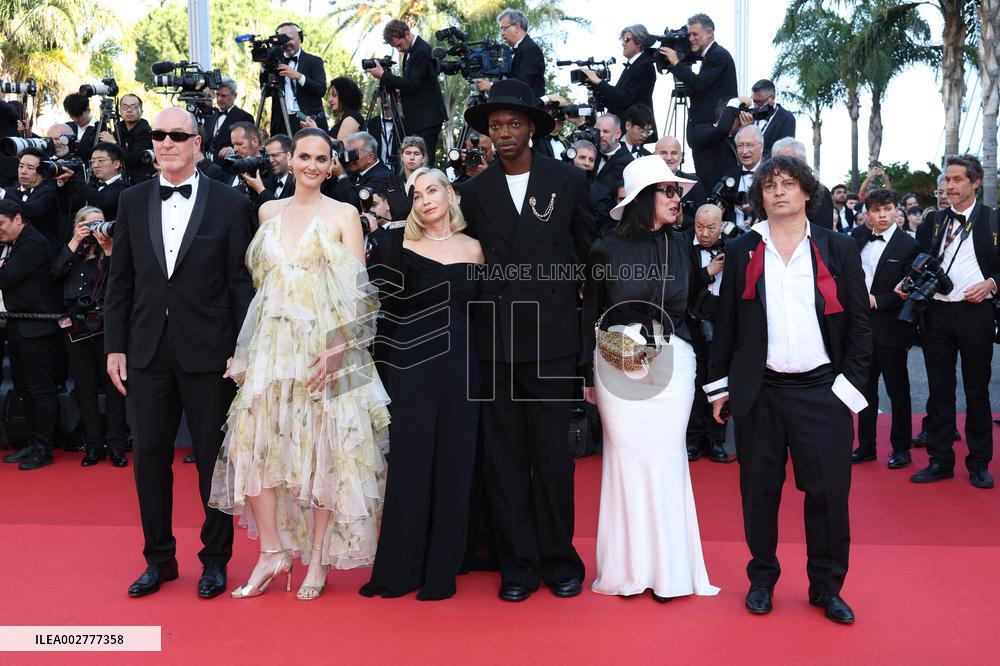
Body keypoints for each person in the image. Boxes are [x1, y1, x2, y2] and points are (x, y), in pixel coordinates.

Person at [209, 127, 390, 600]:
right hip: (272, 346)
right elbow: (262, 291)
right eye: (304, 156)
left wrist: (339, 349)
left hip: (323, 346)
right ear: (289, 160)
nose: (312, 165)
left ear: (331, 166)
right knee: (252, 445)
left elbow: (359, 294)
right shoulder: (268, 212)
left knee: (324, 451)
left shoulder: (344, 214)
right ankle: (272, 552)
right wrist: (245, 349)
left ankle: (318, 558)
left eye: (321, 158)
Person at [705, 155, 871, 624]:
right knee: (759, 493)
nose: (779, 191)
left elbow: (860, 326)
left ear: (806, 193)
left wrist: (849, 388)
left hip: (822, 390)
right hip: (759, 392)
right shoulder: (742, 250)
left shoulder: (838, 247)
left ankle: (827, 587)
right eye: (770, 184)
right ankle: (762, 579)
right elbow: (727, 326)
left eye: (789, 183)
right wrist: (720, 389)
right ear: (760, 196)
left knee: (828, 496)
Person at [104, 106, 255, 599]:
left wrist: (243, 349)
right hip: (146, 350)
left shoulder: (230, 203)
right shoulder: (131, 200)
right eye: (158, 135)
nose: (166, 142)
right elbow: (119, 282)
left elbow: (240, 285)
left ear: (197, 143)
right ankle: (159, 559)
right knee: (149, 459)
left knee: (213, 461)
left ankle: (215, 560)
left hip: (210, 351)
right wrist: (115, 347)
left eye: (176, 135)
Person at [458, 78, 595, 602]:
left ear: (532, 128)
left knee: (554, 460)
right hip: (494, 343)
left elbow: (591, 256)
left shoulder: (568, 180)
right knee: (506, 460)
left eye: (514, 124)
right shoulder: (473, 193)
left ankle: (560, 560)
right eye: (496, 126)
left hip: (553, 342)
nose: (504, 133)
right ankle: (517, 565)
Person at [581, 154, 720, 602]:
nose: (678, 199)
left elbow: (695, 303)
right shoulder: (604, 248)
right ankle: (628, 569)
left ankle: (670, 573)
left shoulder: (681, 245)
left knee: (666, 458)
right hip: (617, 362)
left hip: (674, 364)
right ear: (643, 197)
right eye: (669, 190)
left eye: (678, 191)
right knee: (626, 460)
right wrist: (586, 374)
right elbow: (591, 312)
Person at [360, 167, 483, 601]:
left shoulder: (476, 248)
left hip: (463, 365)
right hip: (412, 364)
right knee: (410, 465)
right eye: (417, 194)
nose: (426, 199)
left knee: (455, 465)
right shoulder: (397, 245)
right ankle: (401, 567)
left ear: (451, 195)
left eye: (433, 190)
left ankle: (441, 571)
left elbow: (484, 314)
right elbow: (382, 311)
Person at [903, 154, 997, 489]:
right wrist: (909, 281)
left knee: (977, 390)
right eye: (947, 179)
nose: (949, 186)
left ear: (975, 183)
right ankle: (940, 461)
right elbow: (919, 259)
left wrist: (991, 284)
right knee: (939, 390)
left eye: (957, 180)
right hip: (937, 313)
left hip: (976, 312)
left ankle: (979, 464)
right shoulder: (934, 221)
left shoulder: (992, 220)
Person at [52, 206, 127, 468]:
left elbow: (120, 277)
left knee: (113, 389)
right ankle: (93, 445)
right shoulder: (73, 253)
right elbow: (55, 273)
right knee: (84, 390)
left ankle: (116, 445)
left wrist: (108, 246)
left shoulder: (112, 251)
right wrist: (75, 241)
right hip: (76, 330)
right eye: (89, 224)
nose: (95, 228)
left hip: (108, 329)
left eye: (100, 223)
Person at [851, 188, 920, 469]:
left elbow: (910, 289)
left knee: (898, 392)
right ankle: (866, 446)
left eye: (887, 209)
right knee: (864, 391)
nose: (882, 215)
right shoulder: (856, 240)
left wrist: (875, 300)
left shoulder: (909, 246)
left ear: (896, 211)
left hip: (891, 328)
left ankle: (901, 449)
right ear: (867, 214)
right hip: (860, 329)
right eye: (876, 210)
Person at [0, 199, 64, 471]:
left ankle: (44, 447)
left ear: (18, 218)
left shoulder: (34, 243)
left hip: (37, 329)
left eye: (1, 224)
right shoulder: (14, 243)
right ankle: (33, 440)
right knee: (25, 388)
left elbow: (6, 279)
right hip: (18, 325)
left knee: (40, 389)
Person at [687, 203, 734, 463]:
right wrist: (707, 272)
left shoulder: (733, 247)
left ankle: (717, 441)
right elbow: (678, 284)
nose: (705, 233)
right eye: (700, 227)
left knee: (722, 382)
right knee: (696, 383)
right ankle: (694, 440)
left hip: (724, 324)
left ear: (721, 225)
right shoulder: (683, 246)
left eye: (711, 228)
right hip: (693, 325)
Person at [365, 20, 447, 161]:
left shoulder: (422, 50)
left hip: (426, 119)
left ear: (407, 34)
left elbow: (413, 84)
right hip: (420, 119)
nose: (399, 49)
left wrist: (383, 75)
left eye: (399, 45)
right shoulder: (412, 51)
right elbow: (415, 83)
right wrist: (400, 91)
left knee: (423, 164)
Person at [582, 25, 657, 141]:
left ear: (639, 42)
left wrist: (599, 82)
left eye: (627, 40)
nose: (623, 43)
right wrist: (595, 86)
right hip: (623, 131)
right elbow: (616, 101)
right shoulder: (631, 66)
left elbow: (625, 99)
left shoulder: (645, 66)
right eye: (623, 40)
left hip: (635, 133)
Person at [267, 22, 328, 137]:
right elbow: (266, 92)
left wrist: (299, 77)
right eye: (282, 39)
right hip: (281, 123)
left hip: (307, 121)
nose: (287, 43)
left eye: (290, 38)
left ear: (300, 38)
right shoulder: (274, 63)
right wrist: (263, 67)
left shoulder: (314, 61)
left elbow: (321, 89)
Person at [475, 9, 546, 100]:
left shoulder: (532, 50)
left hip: (528, 107)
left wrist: (492, 86)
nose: (502, 34)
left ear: (517, 27)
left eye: (504, 29)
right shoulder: (514, 51)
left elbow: (521, 83)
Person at [5, 148, 61, 254]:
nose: (23, 171)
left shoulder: (49, 192)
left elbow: (31, 210)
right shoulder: (9, 191)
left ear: (42, 171)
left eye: (30, 168)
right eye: (21, 166)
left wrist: (2, 194)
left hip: (40, 251)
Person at [99, 94, 156, 183]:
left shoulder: (145, 131)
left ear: (141, 111)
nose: (129, 110)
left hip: (141, 180)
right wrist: (103, 117)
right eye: (124, 107)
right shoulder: (119, 127)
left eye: (134, 107)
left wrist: (113, 142)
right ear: (120, 111)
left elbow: (133, 158)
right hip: (122, 178)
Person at [208, 79, 255, 163]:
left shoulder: (244, 117)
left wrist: (232, 150)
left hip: (230, 167)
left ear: (235, 95)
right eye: (217, 95)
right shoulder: (212, 116)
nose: (219, 99)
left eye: (223, 96)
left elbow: (249, 144)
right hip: (209, 167)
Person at [750, 79, 796, 158]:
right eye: (754, 101)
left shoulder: (786, 118)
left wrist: (755, 154)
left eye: (760, 102)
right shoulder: (750, 115)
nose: (756, 106)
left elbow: (784, 151)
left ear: (772, 98)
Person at [593, 114, 633, 191]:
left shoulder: (627, 162)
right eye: (598, 131)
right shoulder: (592, 151)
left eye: (606, 131)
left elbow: (604, 190)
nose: (601, 135)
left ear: (618, 134)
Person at [325, 77, 364, 142]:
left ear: (345, 96)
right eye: (329, 96)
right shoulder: (342, 120)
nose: (330, 99)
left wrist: (318, 134)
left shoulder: (352, 117)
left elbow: (341, 145)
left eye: (334, 95)